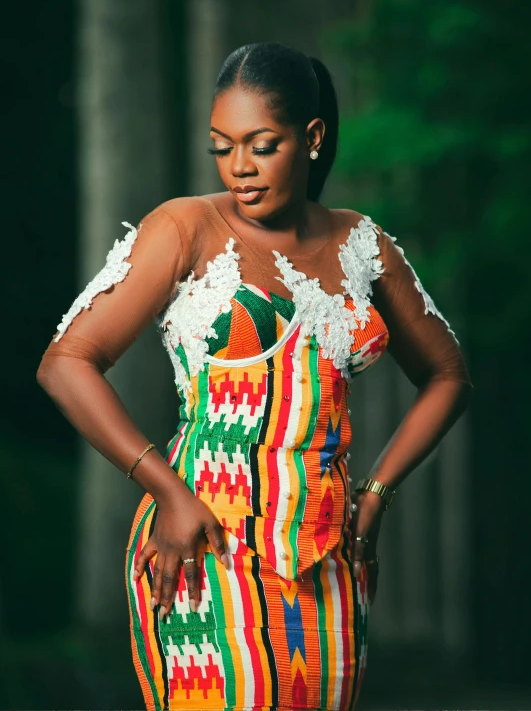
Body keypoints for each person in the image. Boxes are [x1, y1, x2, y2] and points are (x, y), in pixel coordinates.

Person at [37, 41, 472, 711]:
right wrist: (169, 494)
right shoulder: (186, 227)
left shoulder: (362, 244)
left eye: (261, 144)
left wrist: (378, 493)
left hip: (326, 565)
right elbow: (66, 364)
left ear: (313, 138)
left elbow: (448, 376)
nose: (239, 167)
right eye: (222, 145)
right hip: (204, 544)